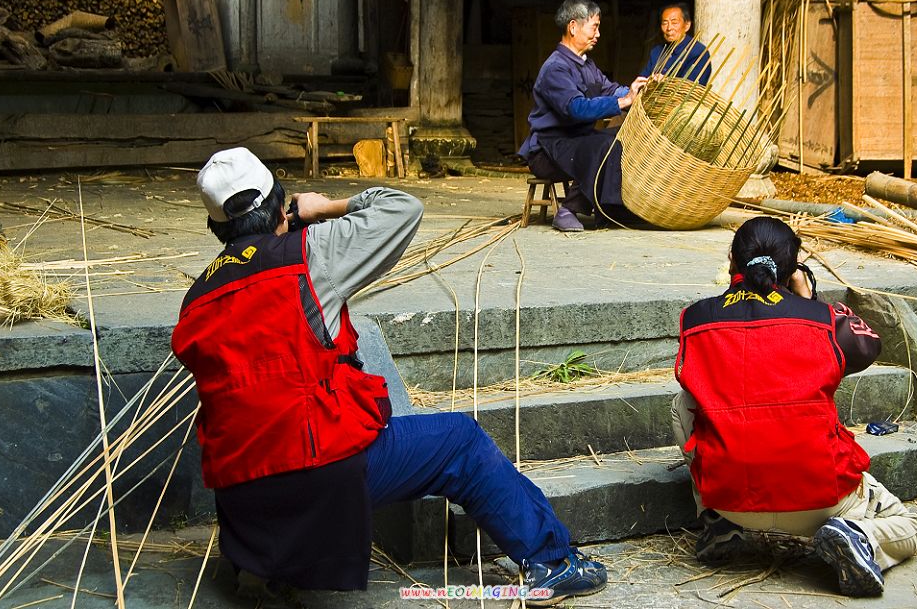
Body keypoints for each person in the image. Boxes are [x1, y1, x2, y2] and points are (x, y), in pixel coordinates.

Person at [171, 147, 607, 607]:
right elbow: (403, 208)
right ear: (282, 205)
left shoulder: (196, 296)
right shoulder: (310, 253)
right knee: (459, 441)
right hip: (318, 478)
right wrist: (326, 208)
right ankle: (553, 564)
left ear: (217, 227)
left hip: (242, 501)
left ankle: (265, 571)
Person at [671, 216, 917, 597]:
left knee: (683, 402)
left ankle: (716, 520)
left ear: (732, 262)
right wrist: (808, 299)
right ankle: (860, 538)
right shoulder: (822, 320)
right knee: (908, 524)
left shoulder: (696, 318)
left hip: (731, 497)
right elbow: (868, 346)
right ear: (793, 267)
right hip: (822, 501)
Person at [518, 0, 645, 232]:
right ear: (573, 27)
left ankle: (610, 209)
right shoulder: (555, 67)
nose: (598, 34)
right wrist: (622, 101)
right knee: (602, 147)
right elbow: (576, 109)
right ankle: (568, 210)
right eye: (594, 27)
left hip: (575, 143)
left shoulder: (586, 64)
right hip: (548, 149)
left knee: (624, 137)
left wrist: (638, 91)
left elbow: (611, 89)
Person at [638, 3, 711, 85]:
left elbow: (689, 88)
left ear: (687, 25)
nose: (669, 28)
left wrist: (666, 82)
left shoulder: (698, 52)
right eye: (665, 23)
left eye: (674, 23)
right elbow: (642, 80)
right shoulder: (656, 51)